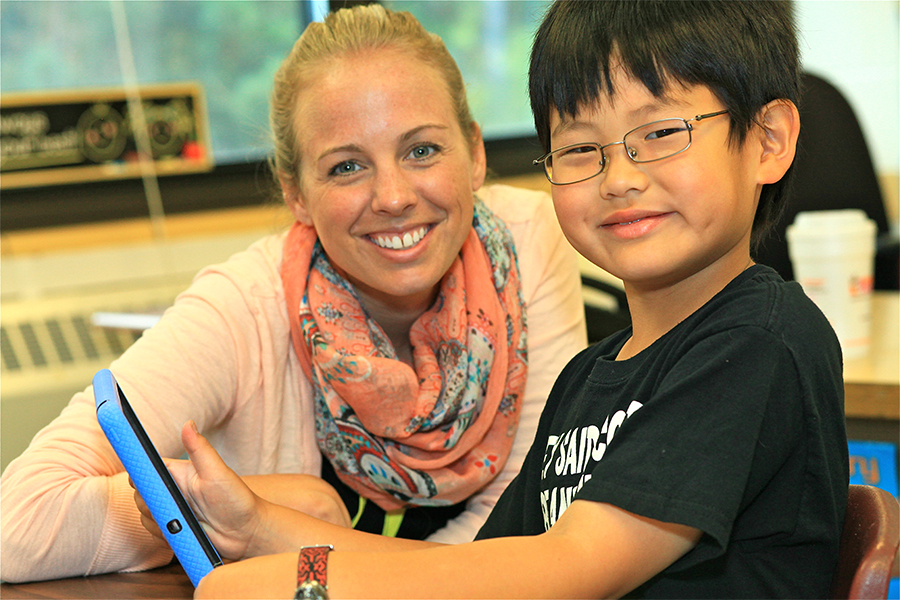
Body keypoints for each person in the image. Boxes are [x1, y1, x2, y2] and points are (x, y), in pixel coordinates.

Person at [136, 1, 849, 598]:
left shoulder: (759, 342)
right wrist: (260, 528)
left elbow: (560, 570)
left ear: (768, 140)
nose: (619, 178)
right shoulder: (588, 381)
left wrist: (305, 587)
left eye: (659, 134)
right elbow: (475, 564)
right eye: (579, 149)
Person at [0, 4, 588, 584]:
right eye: (346, 168)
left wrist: (275, 529)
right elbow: (17, 522)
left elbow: (528, 523)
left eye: (422, 151)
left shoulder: (529, 244)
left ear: (476, 153)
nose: (392, 196)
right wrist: (242, 505)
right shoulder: (243, 310)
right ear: (297, 195)